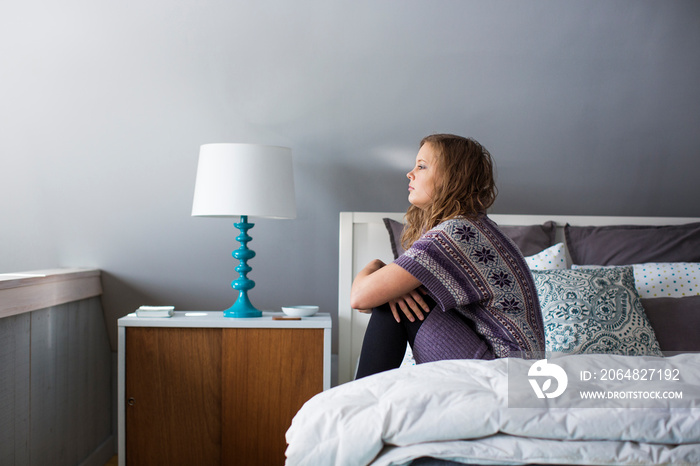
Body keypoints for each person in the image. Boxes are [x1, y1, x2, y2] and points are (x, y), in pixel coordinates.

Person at [351, 134, 545, 379]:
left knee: (393, 300)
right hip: (519, 371)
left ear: (451, 178)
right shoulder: (473, 227)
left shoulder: (455, 233)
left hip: (504, 374)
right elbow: (369, 300)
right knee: (396, 294)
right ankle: (365, 399)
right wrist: (387, 287)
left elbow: (359, 298)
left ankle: (363, 401)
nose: (409, 174)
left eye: (421, 166)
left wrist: (375, 267)